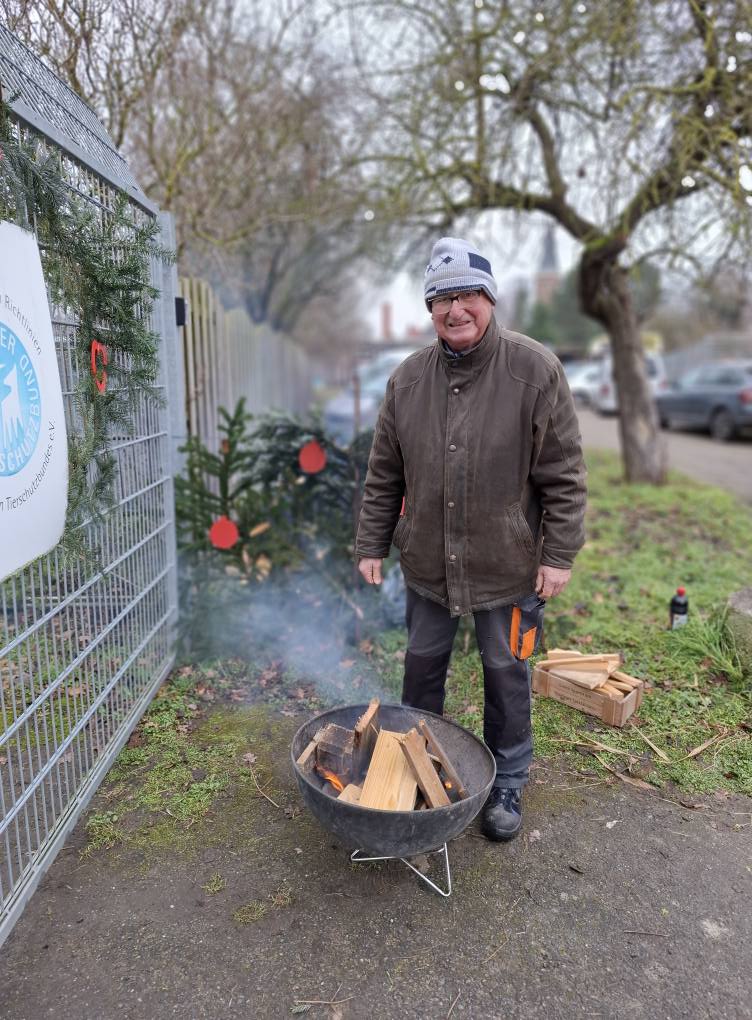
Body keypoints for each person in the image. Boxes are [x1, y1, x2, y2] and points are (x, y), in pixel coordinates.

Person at [355, 237, 587, 841]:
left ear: (489, 299)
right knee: (422, 667)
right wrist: (371, 543)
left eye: (467, 296)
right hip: (429, 562)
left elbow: (563, 473)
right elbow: (385, 472)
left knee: (505, 671)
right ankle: (418, 764)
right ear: (429, 309)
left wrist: (558, 555)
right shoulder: (407, 381)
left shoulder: (534, 370)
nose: (455, 310)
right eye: (442, 299)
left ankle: (507, 777)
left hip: (507, 564)